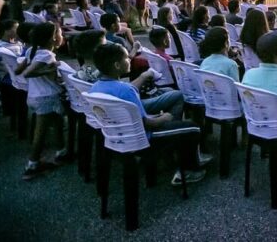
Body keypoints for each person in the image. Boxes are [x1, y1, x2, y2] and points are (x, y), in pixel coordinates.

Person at [89, 43, 208, 185]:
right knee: (193, 128)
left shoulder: (94, 88)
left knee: (175, 100)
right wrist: (164, 118)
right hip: (144, 138)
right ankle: (189, 171)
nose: (129, 60)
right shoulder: (126, 90)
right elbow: (146, 123)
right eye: (126, 58)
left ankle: (172, 146)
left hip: (116, 136)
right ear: (117, 65)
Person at [19, 22, 67, 180]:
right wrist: (50, 69)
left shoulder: (32, 52)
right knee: (41, 133)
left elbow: (19, 69)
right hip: (45, 97)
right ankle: (32, 165)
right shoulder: (46, 55)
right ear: (52, 38)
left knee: (58, 123)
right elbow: (26, 73)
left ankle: (62, 151)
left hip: (35, 96)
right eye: (60, 33)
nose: (62, 36)